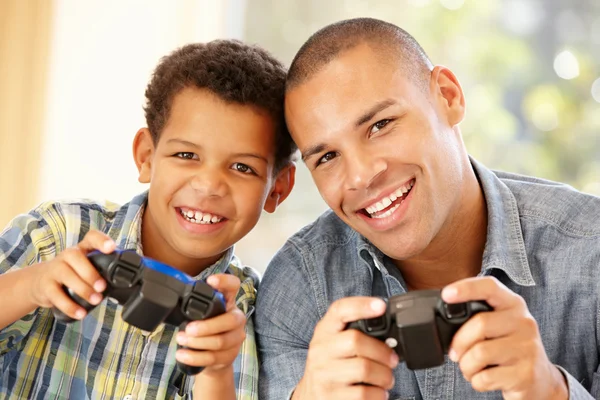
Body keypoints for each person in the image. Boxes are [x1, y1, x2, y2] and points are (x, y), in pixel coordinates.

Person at [255, 17, 600, 400]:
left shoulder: (592, 254)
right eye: (327, 157)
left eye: (381, 125)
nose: (361, 177)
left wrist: (551, 391)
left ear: (448, 97)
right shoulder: (300, 286)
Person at [0, 39, 296, 400]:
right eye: (186, 154)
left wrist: (216, 371)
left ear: (277, 189)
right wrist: (32, 285)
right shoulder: (58, 233)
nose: (208, 186)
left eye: (242, 167)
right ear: (146, 157)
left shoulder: (249, 313)